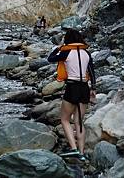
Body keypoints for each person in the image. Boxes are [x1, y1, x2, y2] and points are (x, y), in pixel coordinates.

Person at [47, 29, 96, 161]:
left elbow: (50, 59)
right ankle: (81, 153)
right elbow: (92, 72)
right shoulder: (86, 53)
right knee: (79, 121)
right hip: (85, 88)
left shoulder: (65, 52)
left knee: (64, 119)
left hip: (72, 87)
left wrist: (58, 48)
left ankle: (74, 149)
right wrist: (94, 88)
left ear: (67, 39)